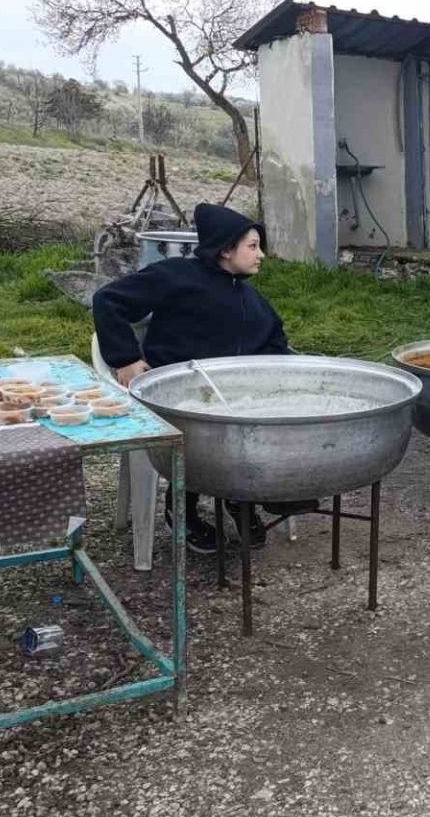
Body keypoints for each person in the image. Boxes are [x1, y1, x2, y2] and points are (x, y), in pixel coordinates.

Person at [93, 203, 295, 554]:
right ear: (226, 249)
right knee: (204, 428)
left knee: (268, 420)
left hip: (235, 399)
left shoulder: (251, 299)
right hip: (174, 396)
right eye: (253, 246)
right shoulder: (175, 275)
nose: (261, 254)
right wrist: (125, 359)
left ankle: (247, 497)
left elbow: (275, 345)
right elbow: (108, 301)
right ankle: (181, 509)